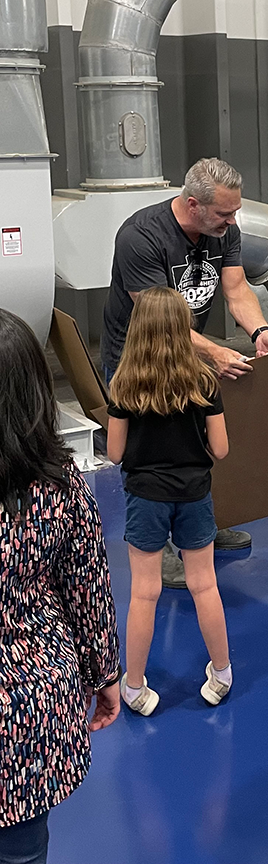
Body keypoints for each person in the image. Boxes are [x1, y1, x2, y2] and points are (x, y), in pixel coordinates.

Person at [101, 157, 268, 587]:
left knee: (199, 443)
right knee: (146, 453)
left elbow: (236, 289)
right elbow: (163, 323)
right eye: (224, 213)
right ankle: (156, 545)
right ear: (192, 204)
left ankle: (198, 528)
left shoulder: (225, 232)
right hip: (138, 359)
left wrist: (259, 329)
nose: (232, 220)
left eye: (235, 211)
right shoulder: (140, 237)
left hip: (188, 354)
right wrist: (216, 353)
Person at [0, 309, 120, 863]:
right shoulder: (61, 486)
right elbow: (87, 593)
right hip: (30, 701)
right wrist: (106, 676)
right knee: (23, 850)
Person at [107, 288, 234, 715]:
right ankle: (221, 673)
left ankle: (135, 686)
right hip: (195, 494)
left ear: (137, 329)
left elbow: (114, 453)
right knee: (205, 585)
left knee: (144, 594)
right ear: (185, 328)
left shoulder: (123, 383)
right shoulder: (204, 380)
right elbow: (221, 449)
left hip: (145, 498)